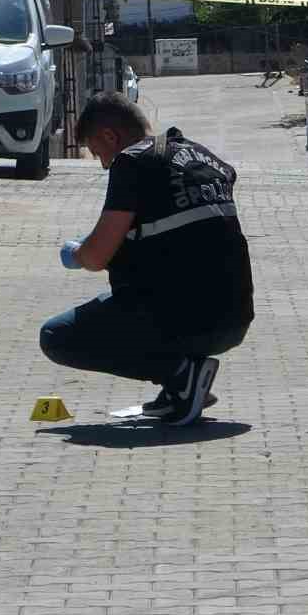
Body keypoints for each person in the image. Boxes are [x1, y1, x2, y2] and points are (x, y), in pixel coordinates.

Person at [40, 92, 255, 426]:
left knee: (57, 336)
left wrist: (76, 253)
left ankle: (180, 375)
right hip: (235, 319)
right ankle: (178, 388)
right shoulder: (205, 157)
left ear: (111, 137)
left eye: (99, 152)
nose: (102, 163)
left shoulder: (132, 162)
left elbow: (96, 257)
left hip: (183, 320)